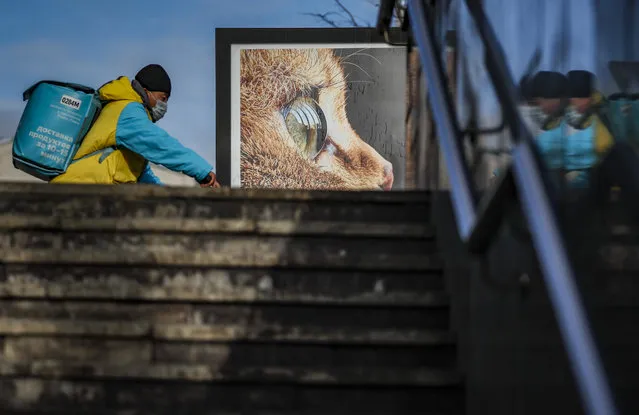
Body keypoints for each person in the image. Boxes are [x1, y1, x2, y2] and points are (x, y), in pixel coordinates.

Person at [51, 64, 220, 188]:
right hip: (78, 188)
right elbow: (160, 145)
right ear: (147, 91)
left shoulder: (126, 111)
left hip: (87, 190)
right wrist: (201, 170)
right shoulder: (129, 110)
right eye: (163, 98)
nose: (164, 106)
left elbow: (141, 173)